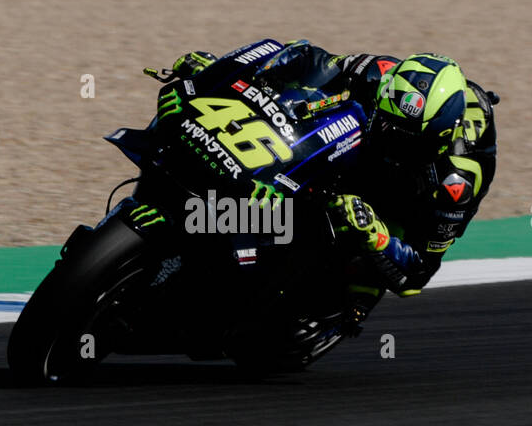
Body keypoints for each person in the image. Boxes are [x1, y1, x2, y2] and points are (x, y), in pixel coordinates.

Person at [166, 41, 498, 310]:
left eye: (405, 139)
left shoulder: (458, 179)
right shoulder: (377, 73)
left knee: (360, 283)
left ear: (437, 141)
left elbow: (418, 273)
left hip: (409, 196)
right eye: (385, 124)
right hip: (359, 143)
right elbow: (305, 67)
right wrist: (220, 74)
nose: (390, 139)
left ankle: (326, 312)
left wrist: (377, 236)